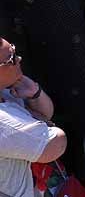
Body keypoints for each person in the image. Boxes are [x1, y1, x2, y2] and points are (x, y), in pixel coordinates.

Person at [0, 37, 67, 197]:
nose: (19, 59)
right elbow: (56, 144)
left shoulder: (4, 93)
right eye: (11, 58)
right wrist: (40, 121)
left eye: (15, 51)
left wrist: (34, 93)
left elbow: (45, 114)